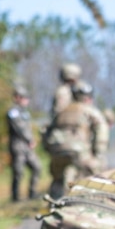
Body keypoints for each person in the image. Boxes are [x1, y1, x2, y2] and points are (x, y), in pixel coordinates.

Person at [42, 67, 100, 197]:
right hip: (76, 142)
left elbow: (53, 118)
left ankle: (55, 203)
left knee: (58, 176)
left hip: (58, 141)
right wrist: (98, 152)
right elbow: (98, 125)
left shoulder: (61, 92)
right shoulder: (73, 94)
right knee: (92, 169)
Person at [6, 86, 40, 201]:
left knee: (37, 167)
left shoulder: (24, 112)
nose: (27, 100)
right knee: (18, 172)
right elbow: (19, 128)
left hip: (27, 147)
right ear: (18, 98)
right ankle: (15, 197)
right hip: (18, 147)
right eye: (25, 98)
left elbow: (28, 128)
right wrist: (30, 140)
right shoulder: (13, 112)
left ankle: (32, 193)